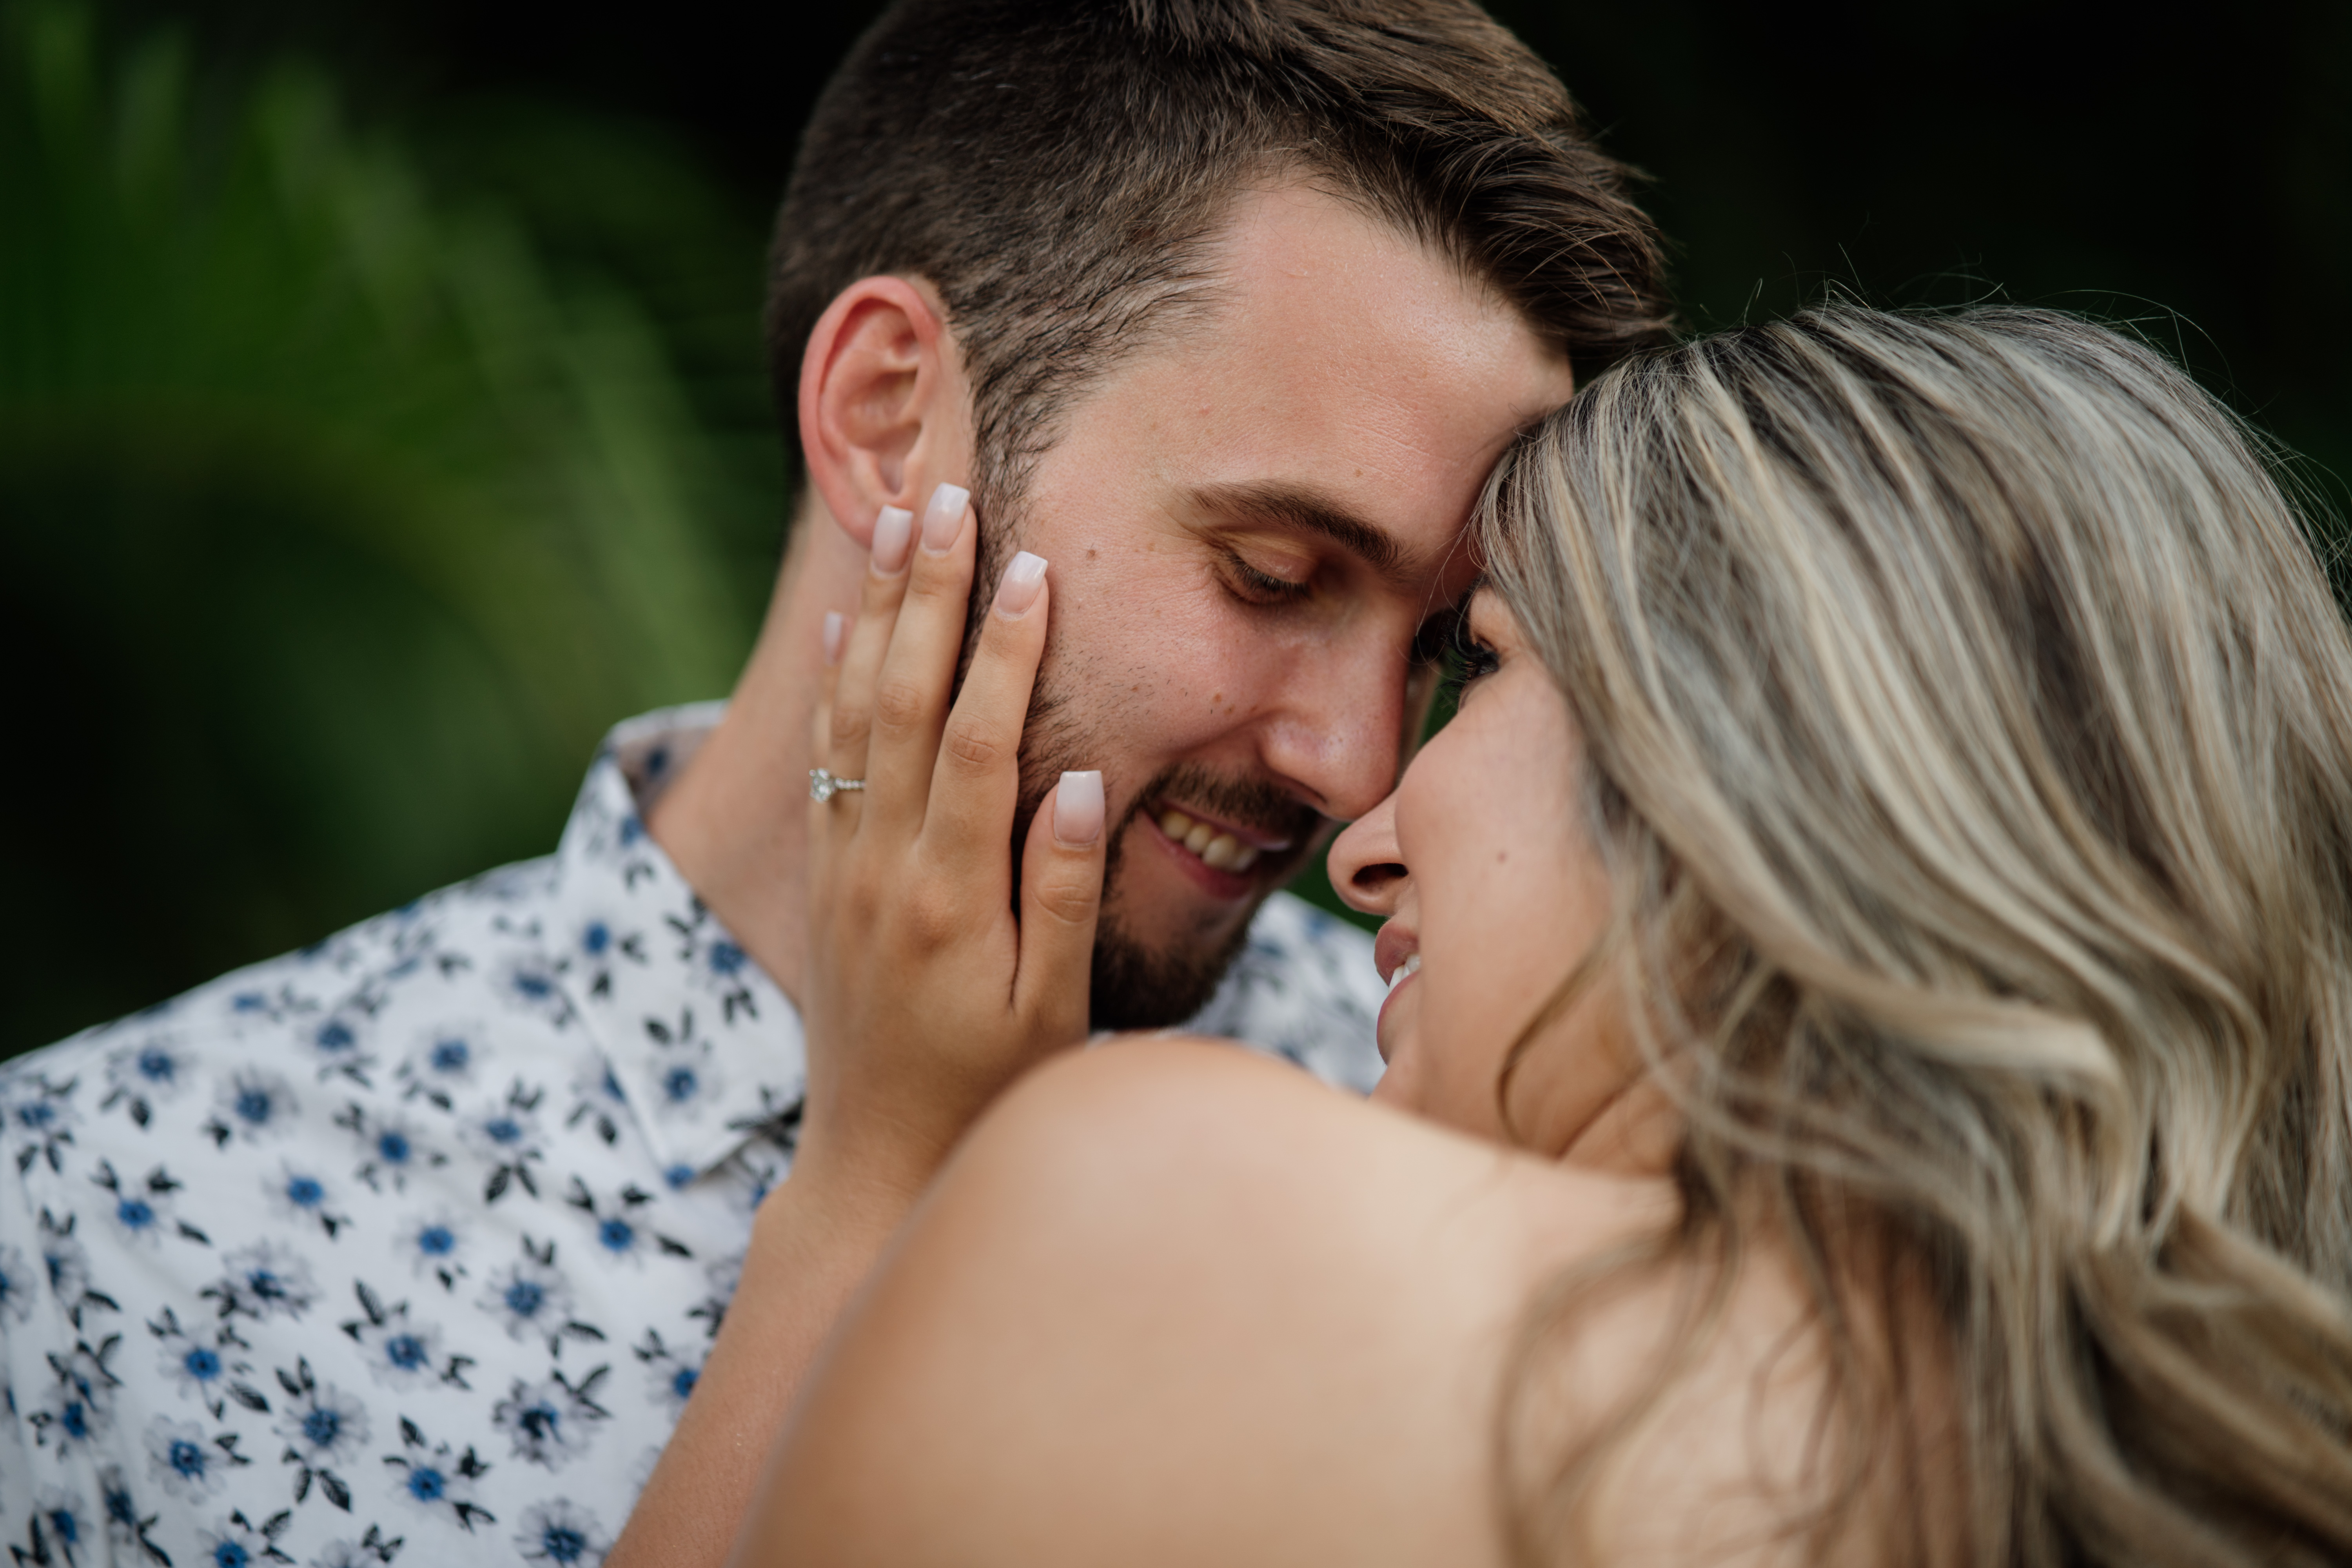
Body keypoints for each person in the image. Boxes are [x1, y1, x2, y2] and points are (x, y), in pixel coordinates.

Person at [0, 2, 1667, 1563]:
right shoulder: (92, 1241)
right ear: (886, 422)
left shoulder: (1444, 1117)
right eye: (1274, 573)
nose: (1363, 764)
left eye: (1439, 645)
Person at [707, 305, 2352, 1566]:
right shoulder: (2224, 1479)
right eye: (1271, 574)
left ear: (1760, 753)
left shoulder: (1179, 1212)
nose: (1362, 825)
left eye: (1478, 660)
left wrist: (880, 1171)